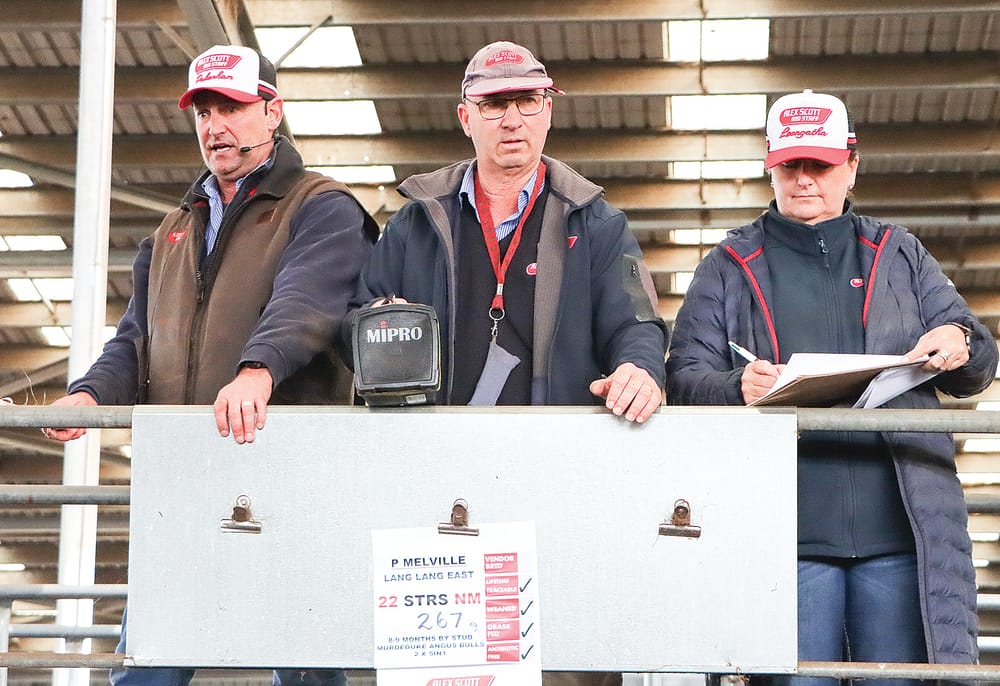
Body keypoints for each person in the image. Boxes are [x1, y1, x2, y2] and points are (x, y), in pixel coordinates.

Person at [42, 45, 379, 686]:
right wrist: (88, 395)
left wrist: (259, 369)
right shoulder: (171, 231)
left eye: (232, 107)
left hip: (291, 476)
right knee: (148, 664)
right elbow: (137, 342)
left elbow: (305, 301)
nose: (214, 126)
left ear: (272, 112)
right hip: (187, 478)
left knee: (306, 664)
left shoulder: (323, 209)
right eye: (203, 110)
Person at [343, 41, 667, 686]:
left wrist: (642, 370)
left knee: (567, 657)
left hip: (559, 474)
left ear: (548, 110)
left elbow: (639, 323)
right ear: (466, 117)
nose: (511, 118)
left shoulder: (597, 224)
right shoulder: (412, 224)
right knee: (441, 661)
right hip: (434, 476)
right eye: (494, 103)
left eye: (525, 101)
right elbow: (356, 321)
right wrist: (384, 330)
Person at [665, 89, 998, 685]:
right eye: (790, 165)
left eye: (819, 164)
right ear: (771, 167)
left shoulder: (901, 256)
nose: (804, 180)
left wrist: (957, 339)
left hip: (900, 537)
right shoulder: (728, 266)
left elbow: (979, 359)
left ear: (851, 165)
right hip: (783, 541)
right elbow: (683, 379)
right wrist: (734, 385)